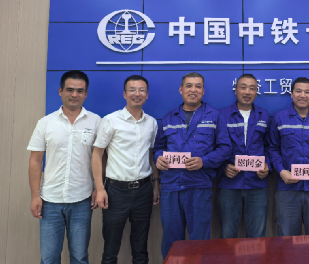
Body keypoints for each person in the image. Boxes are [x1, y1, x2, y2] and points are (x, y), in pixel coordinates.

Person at [27, 70, 101, 264]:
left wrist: (98, 187)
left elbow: (102, 158)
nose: (74, 94)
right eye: (69, 90)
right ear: (60, 91)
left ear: (86, 93)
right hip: (50, 200)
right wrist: (35, 196)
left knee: (79, 257)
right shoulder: (46, 123)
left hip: (82, 199)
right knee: (49, 258)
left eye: (80, 91)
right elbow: (35, 161)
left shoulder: (96, 122)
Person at [154, 72, 231, 258]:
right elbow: (158, 148)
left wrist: (204, 161)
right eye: (189, 86)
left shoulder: (215, 116)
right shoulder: (168, 118)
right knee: (172, 241)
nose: (193, 90)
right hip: (171, 187)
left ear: (203, 91)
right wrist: (158, 158)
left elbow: (225, 148)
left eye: (198, 86)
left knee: (200, 241)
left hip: (199, 186)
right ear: (181, 90)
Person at [92, 75, 160, 264]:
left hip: (144, 191)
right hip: (115, 192)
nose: (137, 94)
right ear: (124, 94)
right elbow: (97, 154)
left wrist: (155, 185)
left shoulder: (152, 123)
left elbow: (152, 156)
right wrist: (99, 188)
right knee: (110, 250)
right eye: (132, 90)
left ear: (147, 94)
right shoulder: (110, 120)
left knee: (141, 249)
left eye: (141, 90)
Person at [268, 77, 309, 236]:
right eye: (298, 91)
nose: (302, 95)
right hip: (288, 189)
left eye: (307, 92)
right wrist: (282, 172)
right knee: (287, 237)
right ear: (291, 94)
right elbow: (273, 148)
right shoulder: (279, 118)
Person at [217, 74, 271, 238]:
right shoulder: (222, 115)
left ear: (256, 92)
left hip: (257, 184)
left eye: (252, 88)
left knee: (257, 237)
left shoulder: (264, 115)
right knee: (227, 235)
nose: (247, 92)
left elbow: (271, 146)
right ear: (236, 90)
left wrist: (268, 166)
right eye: (243, 87)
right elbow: (214, 147)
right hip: (229, 184)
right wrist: (223, 167)